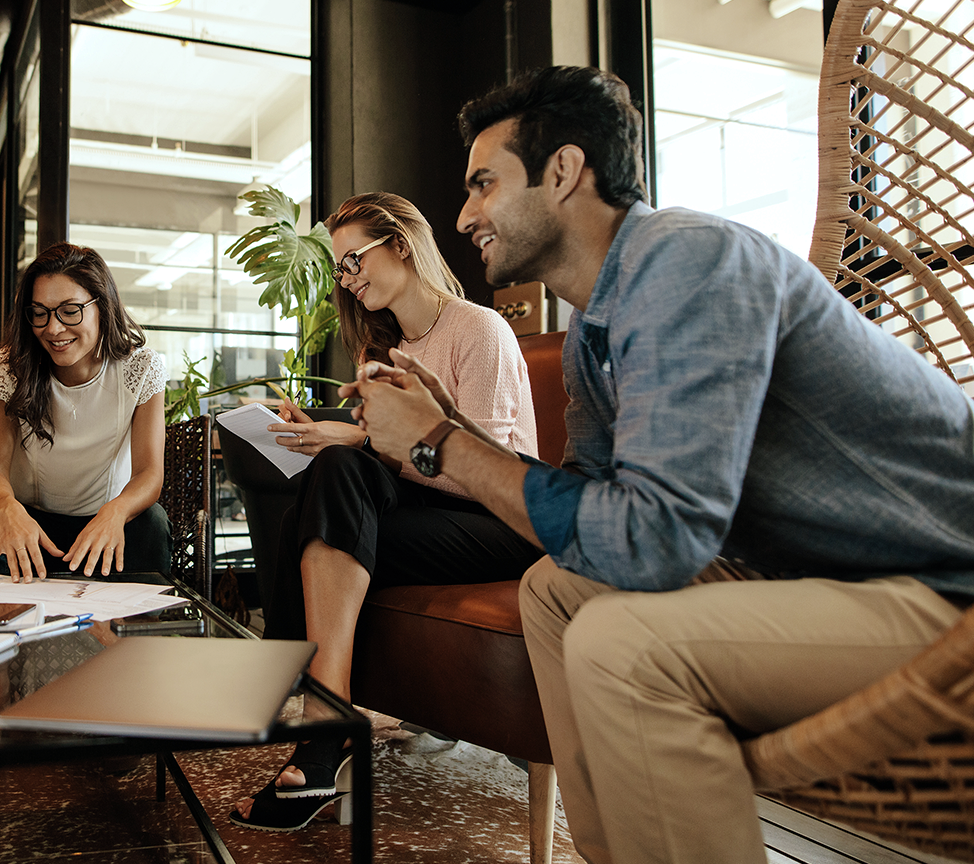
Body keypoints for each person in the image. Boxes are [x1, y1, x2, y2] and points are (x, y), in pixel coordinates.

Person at [345, 66, 974, 864]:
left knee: (623, 644)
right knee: (553, 591)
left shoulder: (689, 262)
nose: (466, 215)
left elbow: (656, 541)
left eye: (484, 184)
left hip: (943, 588)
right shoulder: (599, 328)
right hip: (820, 580)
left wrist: (444, 446)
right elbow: (588, 517)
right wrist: (454, 424)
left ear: (564, 172)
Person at [230, 192, 542, 832]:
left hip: (502, 520)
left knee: (339, 473)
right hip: (434, 515)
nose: (348, 278)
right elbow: (383, 461)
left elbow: (487, 471)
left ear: (400, 243)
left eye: (354, 259)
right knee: (325, 487)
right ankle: (326, 719)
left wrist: (362, 440)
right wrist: (327, 429)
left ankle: (319, 727)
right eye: (341, 269)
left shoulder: (478, 329)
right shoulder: (386, 348)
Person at [0, 242, 170, 582]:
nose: (52, 329)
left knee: (152, 523)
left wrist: (116, 511)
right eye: (39, 312)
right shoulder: (10, 369)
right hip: (30, 523)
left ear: (102, 306)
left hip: (103, 520)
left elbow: (149, 474)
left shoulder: (140, 368)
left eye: (70, 311)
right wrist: (10, 510)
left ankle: (134, 632)